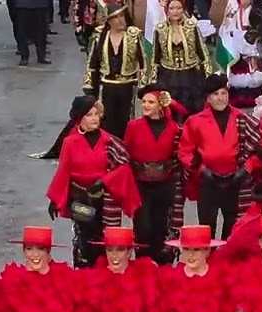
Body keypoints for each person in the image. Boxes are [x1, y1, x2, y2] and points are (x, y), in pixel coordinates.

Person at [45, 95, 140, 269]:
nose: (94, 118)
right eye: (89, 115)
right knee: (86, 238)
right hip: (81, 197)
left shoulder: (108, 140)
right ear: (80, 119)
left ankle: (107, 273)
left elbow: (124, 164)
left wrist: (105, 181)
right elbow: (63, 171)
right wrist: (55, 199)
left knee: (108, 239)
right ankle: (86, 274)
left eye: (97, 114)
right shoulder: (70, 142)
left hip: (106, 197)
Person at [178, 75, 260, 240]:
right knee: (207, 229)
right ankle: (208, 261)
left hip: (235, 182)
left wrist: (245, 171)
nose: (221, 98)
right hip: (208, 182)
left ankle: (227, 261)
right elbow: (185, 152)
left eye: (224, 93)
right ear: (208, 98)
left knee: (232, 229)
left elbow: (259, 149)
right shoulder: (195, 122)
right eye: (216, 94)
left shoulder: (242, 118)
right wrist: (202, 171)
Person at [124, 84, 185, 266]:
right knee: (143, 227)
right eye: (143, 102)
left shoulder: (174, 129)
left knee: (160, 226)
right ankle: (143, 264)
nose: (145, 105)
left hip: (164, 184)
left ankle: (161, 265)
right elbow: (125, 153)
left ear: (161, 104)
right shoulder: (133, 126)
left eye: (150, 102)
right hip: (140, 184)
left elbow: (179, 155)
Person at [82, 1, 145, 135]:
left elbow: (143, 63)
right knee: (108, 119)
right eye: (116, 17)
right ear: (109, 21)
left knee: (126, 119)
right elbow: (92, 64)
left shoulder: (134, 35)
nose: (120, 20)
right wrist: (90, 87)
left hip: (128, 85)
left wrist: (144, 87)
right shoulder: (99, 36)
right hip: (107, 85)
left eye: (122, 16)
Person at [146, 0, 216, 116]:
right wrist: (152, 81)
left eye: (178, 8)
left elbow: (203, 54)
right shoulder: (160, 29)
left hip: (191, 76)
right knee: (170, 112)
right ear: (167, 10)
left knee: (192, 112)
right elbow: (155, 59)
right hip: (168, 77)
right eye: (172, 8)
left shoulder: (191, 27)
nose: (175, 12)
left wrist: (208, 76)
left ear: (183, 9)